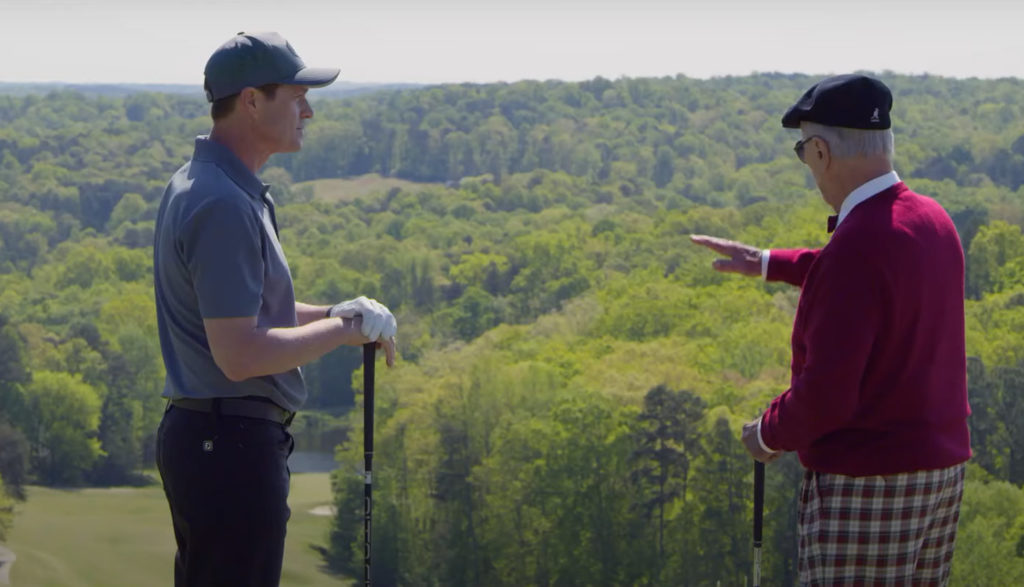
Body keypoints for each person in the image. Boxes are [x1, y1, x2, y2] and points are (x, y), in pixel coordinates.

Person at [691, 74, 971, 585]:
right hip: (939, 473)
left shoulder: (856, 249)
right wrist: (768, 262)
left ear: (820, 151)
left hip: (869, 483)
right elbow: (872, 275)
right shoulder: (932, 220)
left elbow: (826, 398)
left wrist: (767, 435)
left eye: (803, 153)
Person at [153, 31, 397, 587]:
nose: (308, 110)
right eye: (296, 96)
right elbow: (240, 353)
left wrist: (340, 313)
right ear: (252, 101)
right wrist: (340, 331)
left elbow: (254, 317)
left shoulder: (213, 186)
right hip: (229, 447)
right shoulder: (220, 202)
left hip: (217, 441)